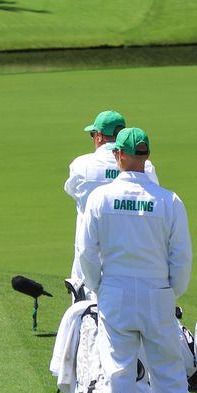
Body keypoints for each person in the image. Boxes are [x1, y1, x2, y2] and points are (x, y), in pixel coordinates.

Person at [79, 127, 192, 393]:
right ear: (147, 156)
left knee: (118, 376)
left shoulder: (100, 198)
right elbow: (182, 257)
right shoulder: (170, 200)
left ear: (118, 154)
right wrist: (171, 291)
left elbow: (86, 252)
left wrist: (98, 286)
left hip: (115, 292)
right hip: (157, 292)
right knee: (169, 375)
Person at [65, 110, 159, 297]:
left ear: (99, 135)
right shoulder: (146, 166)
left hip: (89, 259)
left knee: (86, 321)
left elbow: (72, 191)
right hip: (131, 260)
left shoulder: (81, 165)